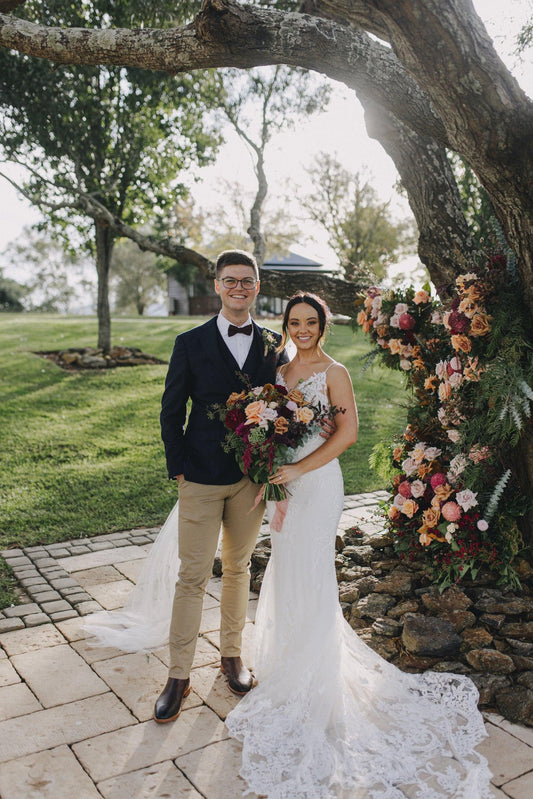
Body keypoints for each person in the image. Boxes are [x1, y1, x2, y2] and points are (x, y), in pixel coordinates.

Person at [224, 292, 492, 799]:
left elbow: (347, 433)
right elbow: (270, 433)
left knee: (312, 572)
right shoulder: (279, 376)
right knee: (286, 568)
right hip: (285, 485)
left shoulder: (335, 371)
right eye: (294, 322)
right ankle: (285, 667)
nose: (302, 329)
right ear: (286, 325)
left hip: (318, 483)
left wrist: (300, 469)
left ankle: (319, 687)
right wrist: (268, 470)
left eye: (311, 321)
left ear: (322, 325)